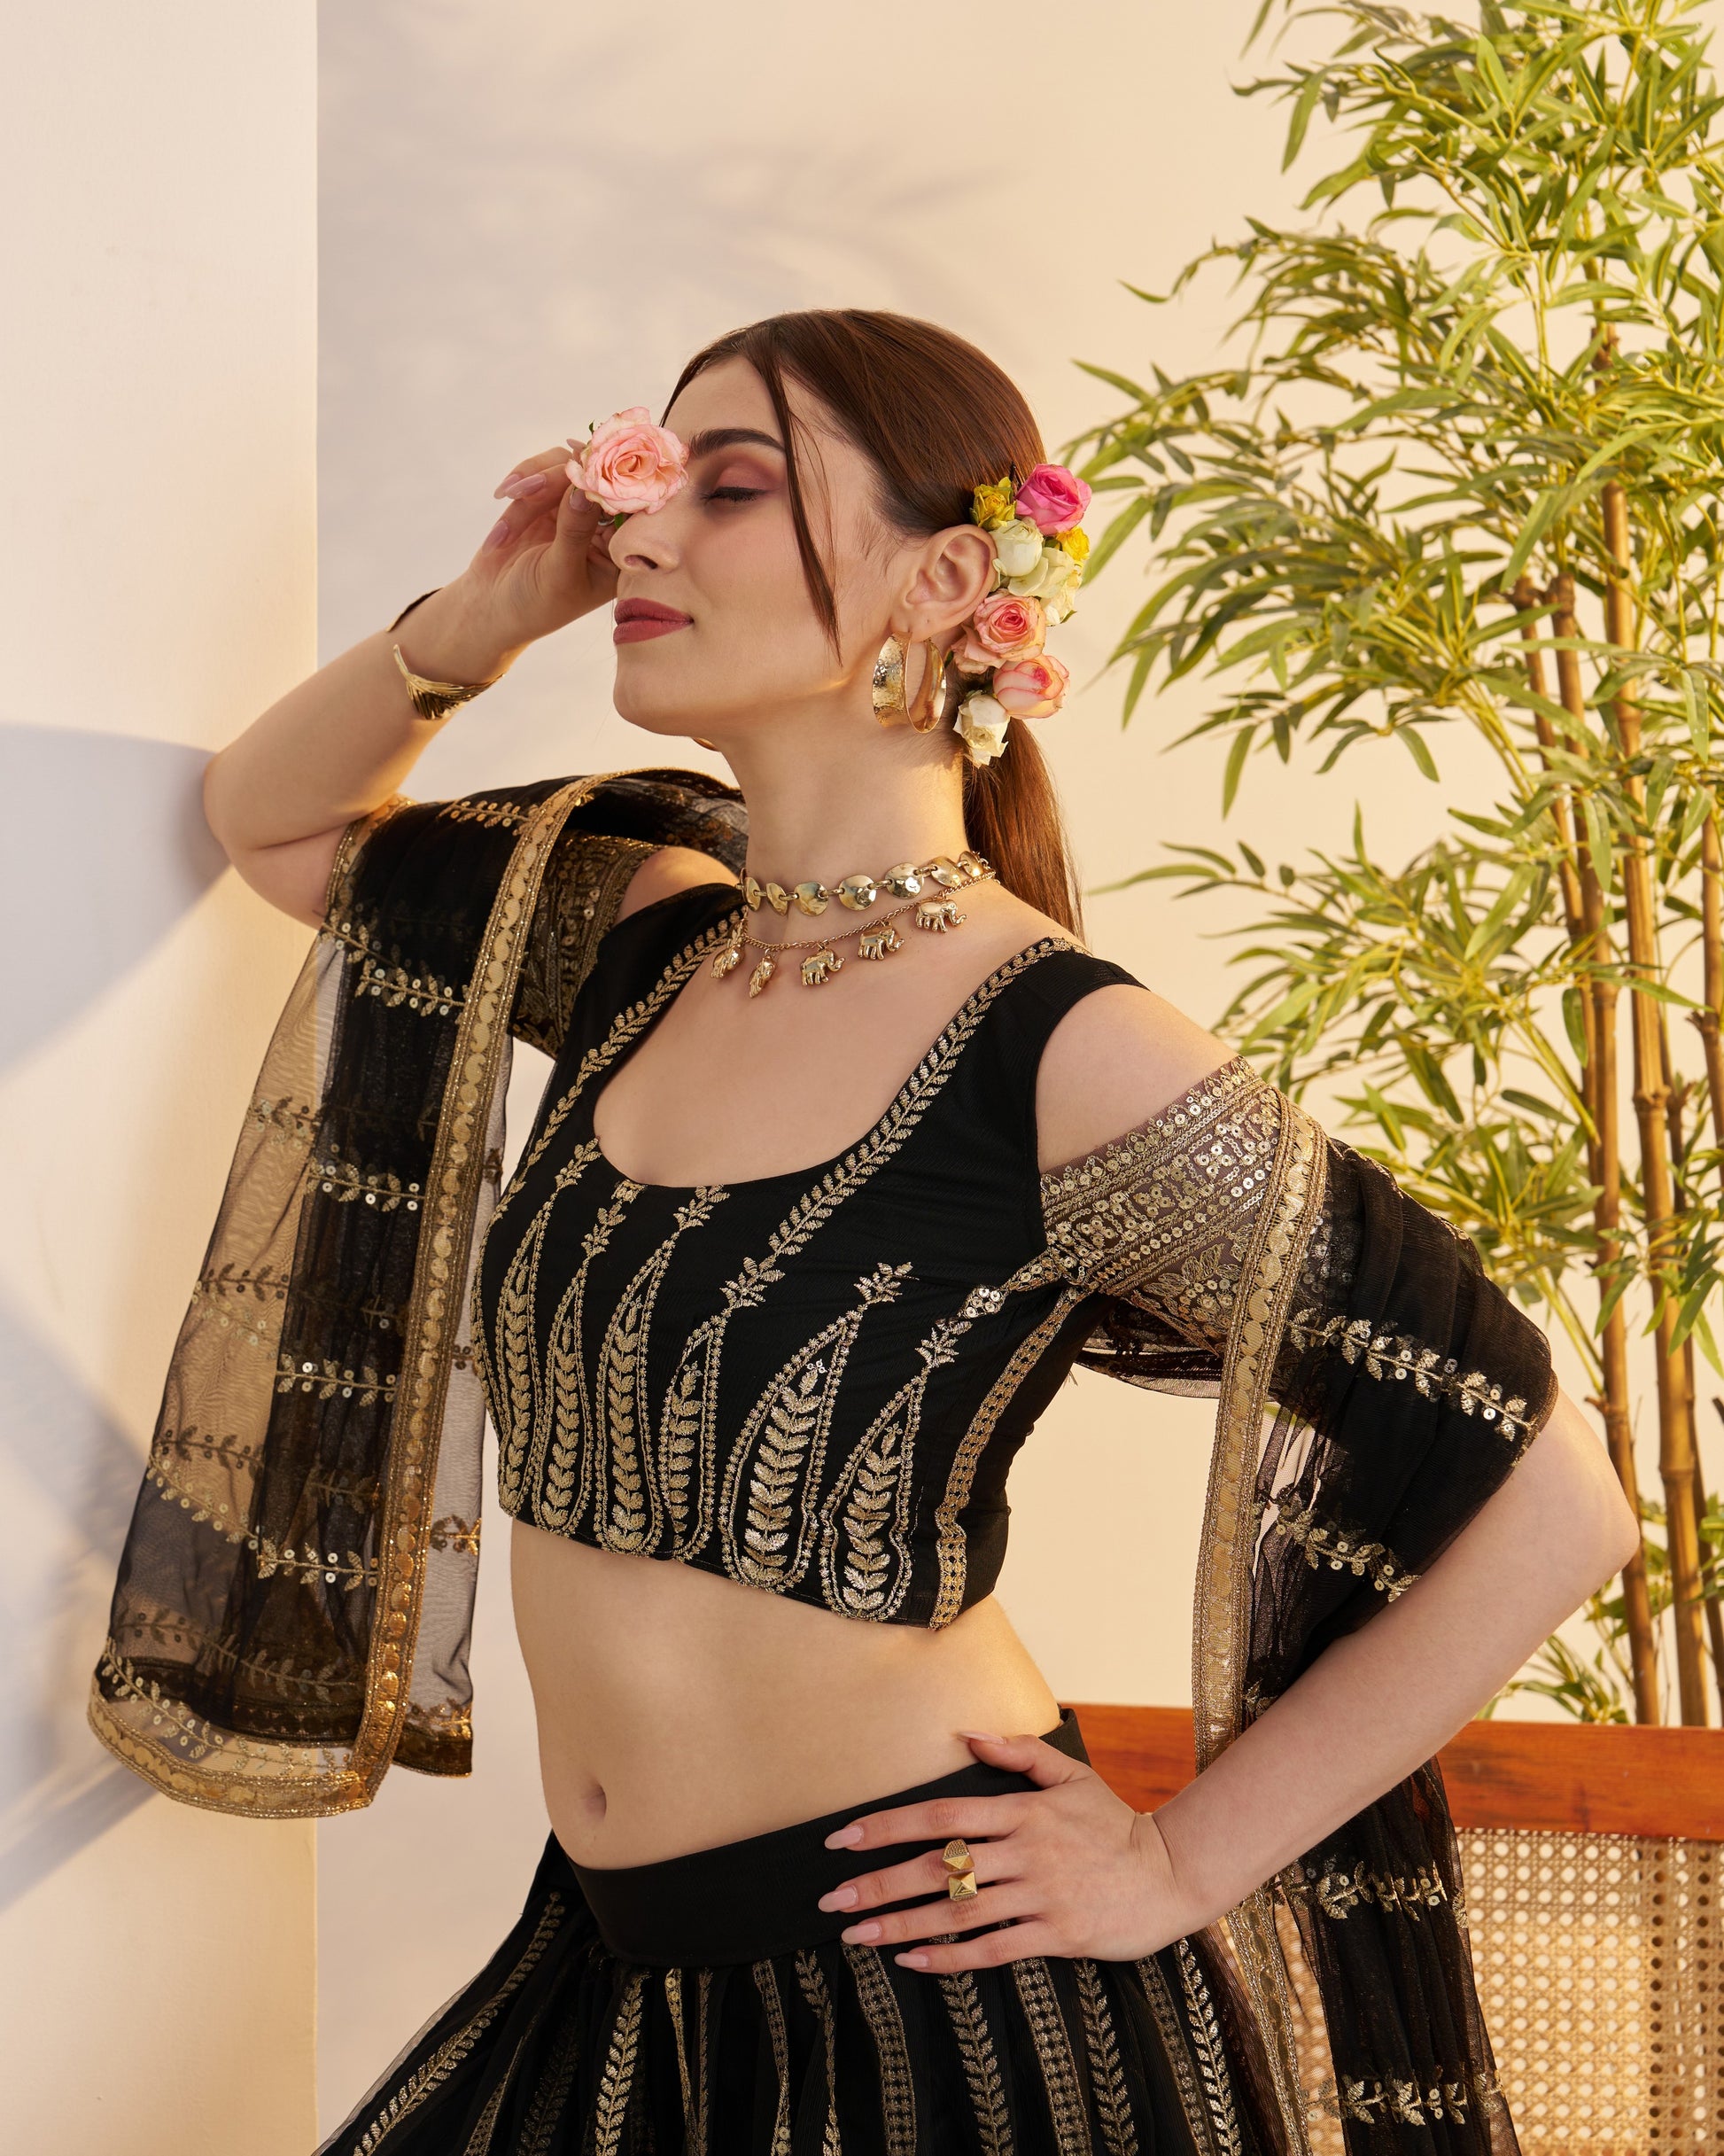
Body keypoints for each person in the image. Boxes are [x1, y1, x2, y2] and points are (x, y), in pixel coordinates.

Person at [91, 309, 1635, 2156]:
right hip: (607, 1971)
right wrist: (488, 614)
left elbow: (1553, 1501)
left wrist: (1174, 1862)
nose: (644, 531)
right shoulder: (648, 946)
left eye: (729, 489)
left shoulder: (1058, 1045)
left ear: (949, 578)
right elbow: (279, 826)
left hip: (937, 2000)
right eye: (648, 482)